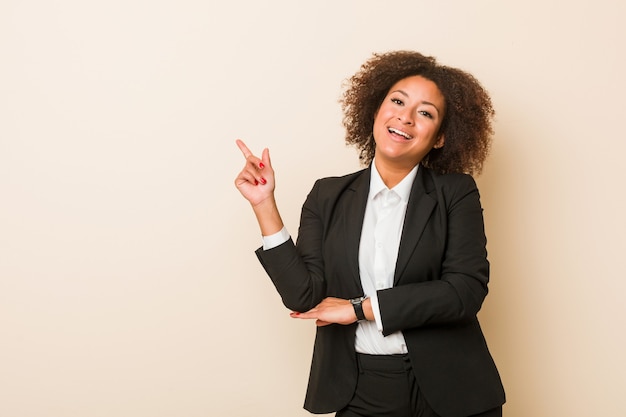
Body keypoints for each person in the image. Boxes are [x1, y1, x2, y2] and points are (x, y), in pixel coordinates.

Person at [234, 50, 505, 417]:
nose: (405, 117)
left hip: (451, 389)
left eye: (425, 113)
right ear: (375, 111)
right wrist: (264, 204)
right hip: (361, 388)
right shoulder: (327, 195)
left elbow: (464, 291)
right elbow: (304, 295)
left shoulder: (455, 193)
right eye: (397, 102)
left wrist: (360, 309)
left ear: (439, 138)